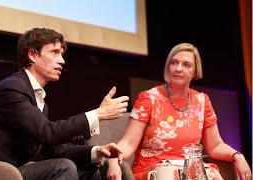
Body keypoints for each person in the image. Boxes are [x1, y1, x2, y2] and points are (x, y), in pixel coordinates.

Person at [0, 27, 130, 180]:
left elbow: (52, 147)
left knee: (92, 168)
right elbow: (47, 133)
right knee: (63, 166)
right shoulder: (11, 89)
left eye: (62, 54)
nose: (62, 61)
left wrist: (96, 151)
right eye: (54, 53)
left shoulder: (37, 99)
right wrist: (98, 114)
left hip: (12, 171)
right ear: (33, 55)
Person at [106, 43, 252, 180]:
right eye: (174, 62)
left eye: (186, 64)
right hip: (154, 171)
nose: (178, 68)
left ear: (195, 71)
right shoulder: (149, 98)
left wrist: (237, 156)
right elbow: (128, 143)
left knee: (212, 175)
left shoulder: (202, 101)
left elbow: (215, 146)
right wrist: (113, 158)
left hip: (189, 170)